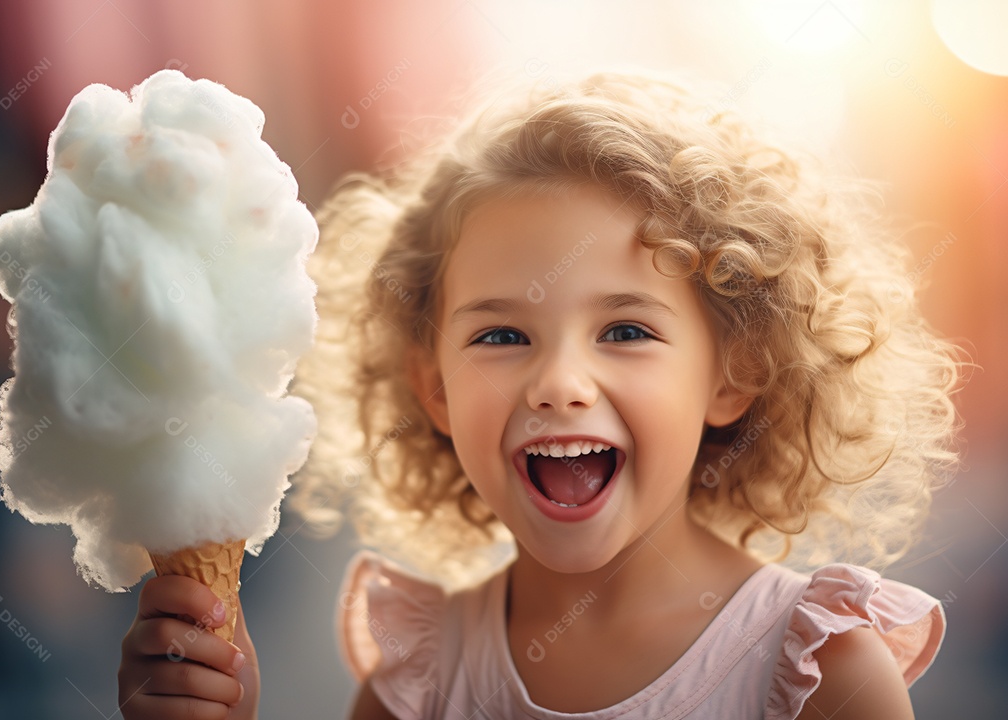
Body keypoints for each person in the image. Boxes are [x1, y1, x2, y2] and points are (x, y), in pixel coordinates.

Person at [118, 71, 963, 719]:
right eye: (501, 335)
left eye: (627, 331)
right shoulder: (418, 681)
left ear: (733, 374)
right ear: (434, 389)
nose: (559, 382)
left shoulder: (822, 674)